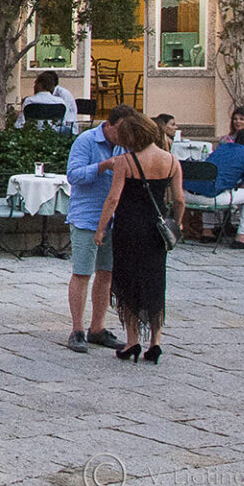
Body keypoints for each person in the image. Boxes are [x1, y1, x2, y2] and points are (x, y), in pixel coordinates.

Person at [93, 111, 185, 361]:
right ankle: (155, 341)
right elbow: (179, 199)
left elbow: (113, 199)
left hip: (129, 228)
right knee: (155, 280)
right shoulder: (171, 161)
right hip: (156, 230)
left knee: (128, 281)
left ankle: (132, 340)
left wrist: (101, 228)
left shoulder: (126, 161)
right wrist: (177, 223)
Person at [63, 106, 131, 352]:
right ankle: (77, 329)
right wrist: (103, 166)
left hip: (114, 218)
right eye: (120, 130)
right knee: (82, 272)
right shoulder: (87, 140)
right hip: (87, 216)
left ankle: (98, 327)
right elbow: (73, 175)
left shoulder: (126, 145)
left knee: (106, 273)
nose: (123, 135)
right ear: (109, 124)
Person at [185, 127, 244, 248]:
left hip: (187, 194)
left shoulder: (221, 147)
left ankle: (207, 231)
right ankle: (242, 237)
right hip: (211, 198)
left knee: (210, 186)